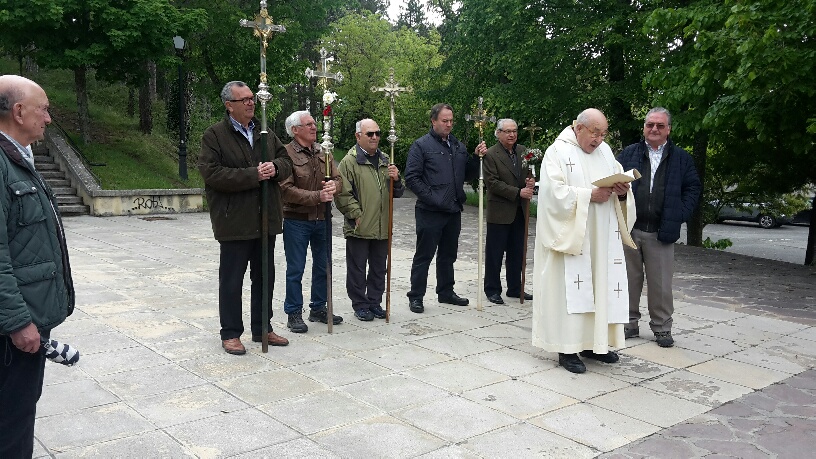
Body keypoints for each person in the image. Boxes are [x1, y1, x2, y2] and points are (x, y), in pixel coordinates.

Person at [0, 75, 75, 457]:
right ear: (18, 112)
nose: (48, 118)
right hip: (13, 329)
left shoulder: (18, 158)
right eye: (43, 109)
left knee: (19, 412)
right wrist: (17, 322)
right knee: (12, 422)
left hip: (24, 318)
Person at [532, 108, 635, 374]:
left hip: (601, 237)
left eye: (603, 134)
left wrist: (622, 193)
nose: (599, 139)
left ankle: (594, 344)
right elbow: (553, 196)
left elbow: (617, 185)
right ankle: (567, 349)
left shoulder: (606, 152)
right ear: (579, 128)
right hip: (572, 237)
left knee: (599, 285)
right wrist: (589, 194)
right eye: (594, 133)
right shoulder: (557, 152)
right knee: (571, 290)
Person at [198, 81, 293, 355]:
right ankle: (230, 332)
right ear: (229, 105)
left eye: (252, 98)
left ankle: (262, 327)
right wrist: (254, 175)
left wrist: (274, 168)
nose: (252, 103)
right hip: (234, 221)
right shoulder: (214, 135)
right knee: (232, 280)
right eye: (245, 100)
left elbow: (285, 163)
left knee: (264, 277)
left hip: (266, 219)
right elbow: (212, 173)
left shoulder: (265, 133)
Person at [617, 107, 701, 348]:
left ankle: (662, 327)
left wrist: (679, 215)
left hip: (661, 230)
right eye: (650, 124)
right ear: (644, 127)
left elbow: (693, 189)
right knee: (627, 279)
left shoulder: (681, 158)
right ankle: (628, 323)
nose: (654, 129)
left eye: (660, 126)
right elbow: (613, 182)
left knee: (661, 283)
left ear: (668, 129)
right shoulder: (629, 154)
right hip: (630, 228)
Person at [404, 103, 486, 313]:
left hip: (453, 209)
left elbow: (466, 174)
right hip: (430, 210)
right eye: (444, 121)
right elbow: (412, 178)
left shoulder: (457, 146)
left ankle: (446, 291)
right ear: (433, 121)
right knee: (424, 255)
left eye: (451, 121)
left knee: (448, 255)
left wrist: (477, 158)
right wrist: (433, 198)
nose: (449, 125)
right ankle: (416, 296)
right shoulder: (421, 146)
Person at [279, 110, 343, 333]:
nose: (314, 127)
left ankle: (318, 308)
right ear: (295, 130)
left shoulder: (322, 151)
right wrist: (317, 196)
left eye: (314, 123)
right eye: (308, 124)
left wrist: (335, 186)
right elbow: (285, 190)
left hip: (323, 219)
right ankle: (293, 312)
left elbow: (337, 178)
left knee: (323, 266)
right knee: (295, 269)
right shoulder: (285, 154)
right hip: (297, 220)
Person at [335, 119, 404, 321]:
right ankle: (360, 304)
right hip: (360, 224)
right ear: (358, 136)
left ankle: (374, 301)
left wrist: (397, 179)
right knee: (357, 267)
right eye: (370, 134)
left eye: (377, 133)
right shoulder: (350, 161)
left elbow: (397, 193)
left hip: (382, 224)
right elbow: (342, 193)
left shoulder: (385, 160)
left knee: (379, 267)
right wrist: (355, 214)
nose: (375, 137)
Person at [483, 118, 536, 304]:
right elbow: (492, 183)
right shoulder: (490, 154)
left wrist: (531, 182)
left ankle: (515, 288)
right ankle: (492, 289)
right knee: (495, 253)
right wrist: (518, 192)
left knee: (517, 252)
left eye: (514, 131)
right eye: (507, 131)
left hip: (520, 211)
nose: (512, 134)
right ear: (498, 133)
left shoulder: (523, 152)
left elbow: (529, 173)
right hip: (500, 211)